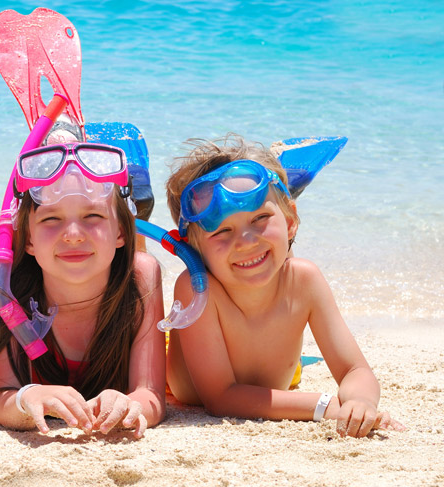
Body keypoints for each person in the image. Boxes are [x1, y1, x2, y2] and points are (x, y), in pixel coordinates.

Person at [164, 134, 404, 438]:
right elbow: (221, 397)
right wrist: (326, 406)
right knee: (262, 254)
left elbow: (355, 371)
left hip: (283, 376)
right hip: (203, 364)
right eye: (222, 231)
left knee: (271, 258)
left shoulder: (304, 281)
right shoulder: (196, 290)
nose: (244, 240)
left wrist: (360, 400)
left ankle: (282, 194)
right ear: (194, 250)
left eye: (259, 218)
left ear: (292, 222)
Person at [0, 140, 166, 438]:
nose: (73, 235)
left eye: (92, 216)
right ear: (29, 239)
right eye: (51, 219)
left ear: (123, 232)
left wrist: (131, 403)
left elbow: (150, 395)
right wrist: (28, 397)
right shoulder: (10, 291)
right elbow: (5, 398)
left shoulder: (143, 276)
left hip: (119, 266)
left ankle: (72, 147)